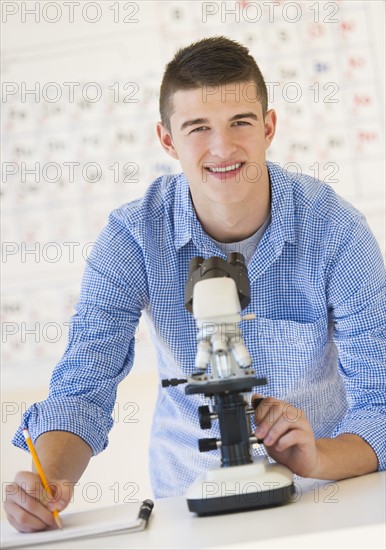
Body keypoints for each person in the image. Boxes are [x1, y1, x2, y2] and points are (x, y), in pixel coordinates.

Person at [4, 36, 385, 533]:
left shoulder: (334, 231)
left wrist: (316, 458)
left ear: (268, 127)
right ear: (168, 140)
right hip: (188, 501)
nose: (223, 148)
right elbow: (83, 384)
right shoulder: (133, 238)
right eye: (198, 127)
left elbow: (381, 399)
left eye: (240, 123)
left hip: (326, 498)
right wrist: (47, 482)